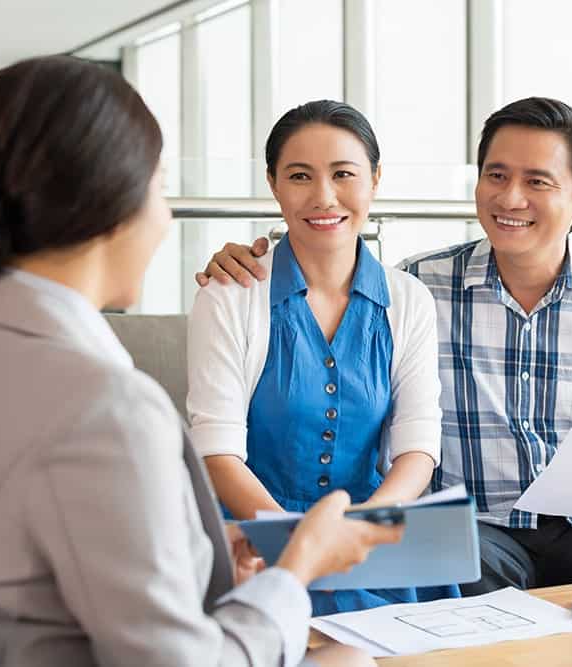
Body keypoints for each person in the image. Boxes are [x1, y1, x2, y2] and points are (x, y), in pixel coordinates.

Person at [0, 56, 399, 667]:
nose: (164, 220)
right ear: (109, 203)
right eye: (159, 187)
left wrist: (205, 554)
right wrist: (297, 567)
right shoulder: (103, 406)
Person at [197, 96, 572, 594]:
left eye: (537, 181)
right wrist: (242, 258)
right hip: (479, 532)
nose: (511, 198)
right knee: (451, 566)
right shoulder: (419, 289)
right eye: (496, 175)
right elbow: (322, 268)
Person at [187, 100, 459, 615]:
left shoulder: (408, 300)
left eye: (343, 174)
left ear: (375, 179)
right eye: (299, 176)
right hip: (254, 543)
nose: (323, 196)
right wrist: (303, 545)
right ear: (273, 183)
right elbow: (217, 450)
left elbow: (418, 446)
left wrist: (360, 531)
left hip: (369, 541)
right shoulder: (228, 295)